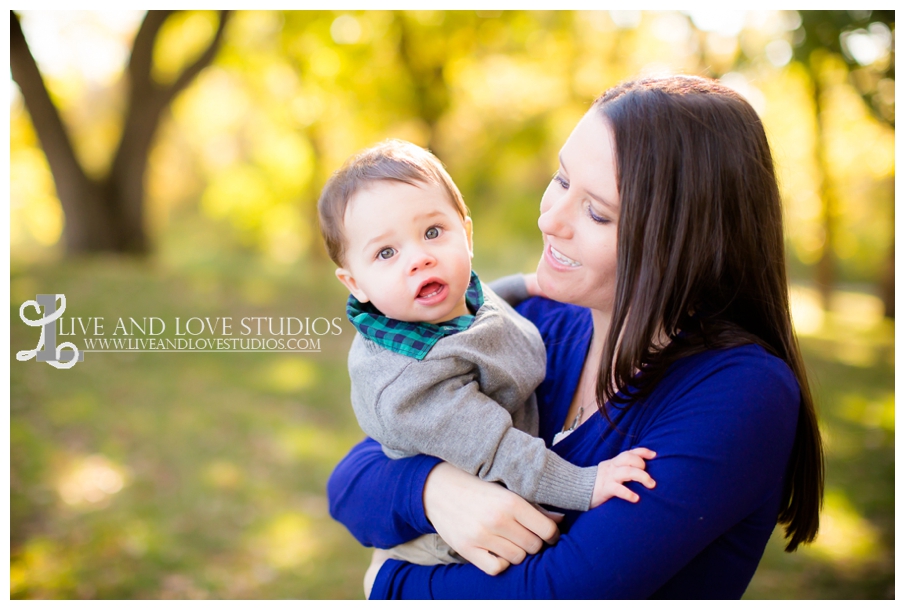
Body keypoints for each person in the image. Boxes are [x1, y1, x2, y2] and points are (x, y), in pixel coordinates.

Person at [327, 75, 825, 599]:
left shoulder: (740, 394)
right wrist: (433, 491)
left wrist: (392, 582)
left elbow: (564, 588)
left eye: (597, 212)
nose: (550, 219)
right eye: (561, 180)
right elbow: (352, 480)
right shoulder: (537, 320)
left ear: (681, 241)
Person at [317, 140, 657, 567]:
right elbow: (502, 452)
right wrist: (588, 485)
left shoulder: (446, 305)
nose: (420, 258)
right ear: (356, 285)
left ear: (467, 233)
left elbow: (485, 301)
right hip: (452, 545)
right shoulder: (417, 381)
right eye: (386, 253)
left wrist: (527, 285)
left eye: (433, 232)